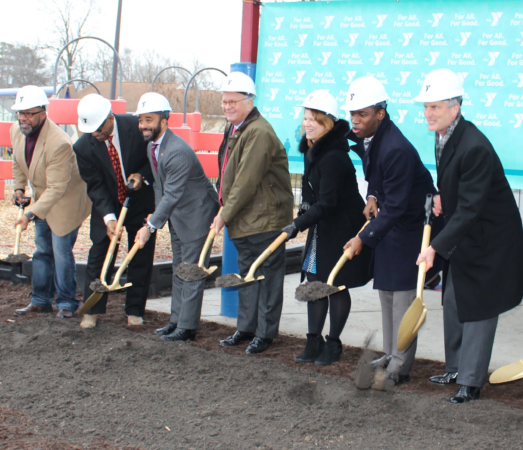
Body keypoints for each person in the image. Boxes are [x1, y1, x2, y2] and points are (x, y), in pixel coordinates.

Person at [414, 69, 523, 403]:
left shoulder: (474, 146)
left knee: (479, 307)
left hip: (489, 240)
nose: (428, 113)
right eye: (426, 107)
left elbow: (470, 208)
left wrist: (435, 246)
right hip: (464, 237)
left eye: (435, 106)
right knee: (452, 302)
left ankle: (471, 380)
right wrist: (440, 195)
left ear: (456, 106)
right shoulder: (445, 135)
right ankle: (455, 367)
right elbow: (456, 186)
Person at [342, 75, 436, 388]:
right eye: (352, 114)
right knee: (387, 296)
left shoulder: (395, 148)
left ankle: (400, 366)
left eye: (363, 114)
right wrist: (371, 196)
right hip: (390, 227)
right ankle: (390, 353)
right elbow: (378, 181)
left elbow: (395, 208)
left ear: (381, 113)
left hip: (409, 230)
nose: (355, 121)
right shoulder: (374, 139)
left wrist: (361, 238)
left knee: (404, 300)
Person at [285, 90, 373, 367]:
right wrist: (302, 211)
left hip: (341, 229)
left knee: (334, 285)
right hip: (322, 227)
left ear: (329, 124)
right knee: (314, 283)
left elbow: (328, 203)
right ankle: (313, 342)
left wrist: (297, 225)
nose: (308, 124)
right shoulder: (314, 150)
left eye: (316, 120)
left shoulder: (333, 157)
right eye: (306, 118)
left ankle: (333, 344)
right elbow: (312, 195)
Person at [211, 71, 295, 355]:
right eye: (224, 101)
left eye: (233, 101)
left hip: (266, 222)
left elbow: (246, 180)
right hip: (247, 220)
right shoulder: (236, 129)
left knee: (268, 278)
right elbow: (228, 174)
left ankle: (265, 333)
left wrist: (224, 214)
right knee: (248, 275)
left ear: (249, 102)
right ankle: (246, 329)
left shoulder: (258, 132)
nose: (227, 106)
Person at [133, 92, 219, 342]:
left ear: (164, 120)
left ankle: (188, 327)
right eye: (141, 120)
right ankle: (176, 321)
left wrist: (150, 226)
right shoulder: (153, 146)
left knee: (191, 270)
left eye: (149, 119)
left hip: (196, 214)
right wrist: (158, 215)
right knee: (178, 268)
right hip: (176, 215)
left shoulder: (177, 151)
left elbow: (172, 194)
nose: (143, 125)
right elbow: (161, 188)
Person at [73, 94, 155, 328]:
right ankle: (92, 309)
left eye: (99, 130)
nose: (95, 135)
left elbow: (154, 157)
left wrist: (142, 176)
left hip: (140, 201)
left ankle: (135, 311)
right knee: (99, 254)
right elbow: (95, 185)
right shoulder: (83, 146)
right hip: (108, 203)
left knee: (140, 252)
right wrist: (109, 218)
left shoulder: (135, 126)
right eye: (90, 132)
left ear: (110, 118)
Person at [9, 85, 91, 319]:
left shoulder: (59, 142)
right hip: (43, 198)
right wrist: (18, 187)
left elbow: (57, 188)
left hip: (67, 199)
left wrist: (29, 215)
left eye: (29, 113)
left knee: (61, 251)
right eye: (20, 113)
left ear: (43, 112)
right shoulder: (16, 131)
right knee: (42, 249)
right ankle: (41, 300)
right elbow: (17, 160)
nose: (23, 118)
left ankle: (67, 302)